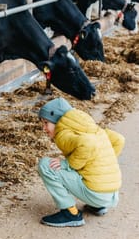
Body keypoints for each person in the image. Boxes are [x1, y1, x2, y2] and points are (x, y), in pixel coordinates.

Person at [37, 97, 125, 227]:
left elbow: (87, 144)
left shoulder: (62, 134)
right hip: (111, 194)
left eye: (46, 123)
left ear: (57, 120)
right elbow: (119, 139)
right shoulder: (91, 128)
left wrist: (67, 164)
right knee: (83, 164)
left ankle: (70, 213)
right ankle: (98, 206)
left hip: (97, 194)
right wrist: (100, 164)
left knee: (45, 165)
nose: (44, 128)